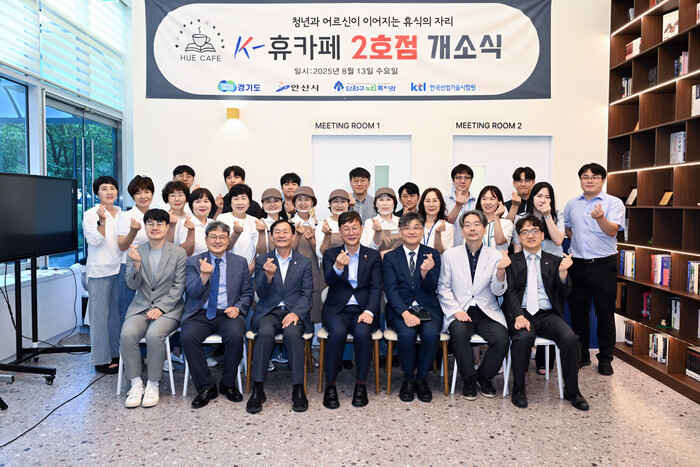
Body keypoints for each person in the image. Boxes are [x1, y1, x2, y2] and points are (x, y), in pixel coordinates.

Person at [503, 216, 589, 410]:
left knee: (571, 339)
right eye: (525, 232)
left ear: (542, 235)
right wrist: (518, 315)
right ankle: (519, 389)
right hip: (521, 313)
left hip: (547, 314)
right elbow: (509, 293)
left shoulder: (556, 261)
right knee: (523, 338)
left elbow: (565, 293)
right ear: (519, 237)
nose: (530, 235)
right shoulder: (511, 261)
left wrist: (563, 274)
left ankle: (573, 391)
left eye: (535, 231)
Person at [437, 210, 510, 400]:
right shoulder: (450, 255)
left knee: (502, 339)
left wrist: (501, 272)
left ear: (484, 229)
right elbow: (443, 287)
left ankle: (484, 377)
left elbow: (498, 291)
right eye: (467, 225)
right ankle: (469, 379)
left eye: (477, 224)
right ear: (462, 230)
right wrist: (455, 311)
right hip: (460, 309)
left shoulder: (495, 255)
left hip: (486, 311)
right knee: (459, 333)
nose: (472, 228)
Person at [181, 221, 253, 408]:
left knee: (235, 336)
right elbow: (193, 293)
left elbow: (247, 293)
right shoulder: (193, 262)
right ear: (206, 240)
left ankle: (228, 384)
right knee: (188, 337)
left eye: (222, 237)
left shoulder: (240, 262)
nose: (218, 241)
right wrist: (204, 276)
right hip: (200, 312)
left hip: (228, 313)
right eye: (213, 237)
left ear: (228, 240)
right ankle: (206, 387)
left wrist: (238, 308)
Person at [120, 209, 187, 408]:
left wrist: (161, 308)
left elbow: (179, 286)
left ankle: (153, 384)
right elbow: (131, 285)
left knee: (154, 335)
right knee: (127, 335)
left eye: (159, 224)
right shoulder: (135, 251)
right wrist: (137, 265)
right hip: (141, 306)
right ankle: (136, 384)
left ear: (167, 227)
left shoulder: (178, 253)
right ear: (145, 226)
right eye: (150, 223)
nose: (155, 227)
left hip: (169, 308)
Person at [564, 163, 625, 376]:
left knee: (604, 313)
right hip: (577, 265)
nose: (589, 180)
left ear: (603, 180)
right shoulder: (572, 204)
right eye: (585, 177)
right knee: (578, 314)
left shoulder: (613, 203)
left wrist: (600, 218)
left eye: (594, 177)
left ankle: (606, 358)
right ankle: (582, 355)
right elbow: (568, 229)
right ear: (580, 180)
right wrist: (579, 243)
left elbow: (612, 231)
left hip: (603, 265)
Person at [247, 220, 313, 413]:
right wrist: (267, 276)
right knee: (265, 333)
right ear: (271, 236)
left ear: (293, 236)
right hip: (269, 311)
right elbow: (260, 293)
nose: (281, 235)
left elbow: (307, 294)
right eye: (277, 232)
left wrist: (295, 313)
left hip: (293, 312)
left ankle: (298, 389)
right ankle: (258, 389)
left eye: (286, 232)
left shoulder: (304, 262)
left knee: (292, 334)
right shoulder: (263, 260)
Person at [321, 211, 382, 409]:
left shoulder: (372, 256)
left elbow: (376, 288)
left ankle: (361, 385)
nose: (351, 232)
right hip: (337, 310)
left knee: (363, 333)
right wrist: (338, 266)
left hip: (363, 310)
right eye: (346, 229)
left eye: (354, 228)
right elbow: (329, 280)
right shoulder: (331, 254)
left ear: (362, 229)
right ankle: (330, 385)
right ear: (340, 232)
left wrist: (370, 312)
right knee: (337, 333)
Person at [383, 213, 442, 402]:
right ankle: (408, 379)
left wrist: (425, 272)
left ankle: (422, 379)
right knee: (407, 334)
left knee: (431, 334)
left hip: (428, 308)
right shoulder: (391, 257)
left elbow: (432, 288)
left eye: (416, 227)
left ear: (422, 231)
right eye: (407, 228)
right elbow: (391, 290)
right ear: (400, 231)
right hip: (400, 309)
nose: (411, 232)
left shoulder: (432, 254)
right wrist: (405, 313)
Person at [512, 181, 566, 374]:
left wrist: (547, 216)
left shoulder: (557, 215)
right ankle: (524, 359)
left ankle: (544, 362)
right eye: (539, 196)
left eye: (547, 196)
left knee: (550, 312)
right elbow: (517, 248)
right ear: (532, 197)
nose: (543, 200)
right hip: (527, 266)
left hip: (553, 271)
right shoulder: (521, 217)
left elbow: (558, 240)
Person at [83, 175, 122, 374]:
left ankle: (114, 354)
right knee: (99, 318)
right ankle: (100, 360)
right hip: (99, 271)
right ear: (97, 193)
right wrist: (102, 221)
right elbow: (95, 241)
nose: (109, 192)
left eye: (112, 188)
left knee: (115, 316)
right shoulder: (90, 214)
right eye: (104, 188)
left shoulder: (122, 213)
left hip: (119, 269)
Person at [117, 176, 154, 332]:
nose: (143, 196)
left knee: (151, 312)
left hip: (153, 268)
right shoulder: (127, 216)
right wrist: (133, 231)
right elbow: (122, 246)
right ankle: (129, 346)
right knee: (128, 311)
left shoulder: (156, 215)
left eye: (147, 191)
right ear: (132, 196)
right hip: (130, 267)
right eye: (138, 193)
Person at [290, 186, 323, 324]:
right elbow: (286, 251)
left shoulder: (319, 225)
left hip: (315, 272)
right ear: (294, 203)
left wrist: (312, 241)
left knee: (314, 313)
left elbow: (321, 252)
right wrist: (298, 235)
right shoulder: (288, 225)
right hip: (293, 274)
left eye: (307, 199)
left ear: (313, 202)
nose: (303, 203)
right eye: (299, 199)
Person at [218, 184, 259, 275]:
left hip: (250, 272)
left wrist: (252, 266)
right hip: (227, 272)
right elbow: (222, 247)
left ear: (249, 202)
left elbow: (259, 249)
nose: (240, 202)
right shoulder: (222, 219)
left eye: (243, 198)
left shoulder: (255, 221)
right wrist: (236, 233)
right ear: (230, 202)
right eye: (236, 198)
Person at [361, 187, 401, 258]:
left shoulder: (401, 221)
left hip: (399, 261)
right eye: (381, 200)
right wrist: (377, 232)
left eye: (388, 199)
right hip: (377, 262)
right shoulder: (370, 222)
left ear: (394, 203)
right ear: (376, 204)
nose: (385, 203)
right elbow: (368, 249)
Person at [445, 164, 477, 246]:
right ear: (453, 180)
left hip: (473, 248)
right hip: (450, 248)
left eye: (466, 178)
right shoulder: (444, 201)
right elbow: (445, 225)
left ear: (471, 180)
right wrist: (458, 206)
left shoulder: (478, 202)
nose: (462, 181)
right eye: (458, 177)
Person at [475, 185, 513, 251]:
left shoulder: (506, 223)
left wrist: (496, 216)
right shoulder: (473, 222)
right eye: (484, 199)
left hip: (499, 257)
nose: (487, 203)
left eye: (492, 199)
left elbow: (499, 241)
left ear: (499, 202)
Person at [417, 187, 454, 254]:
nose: (431, 205)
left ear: (440, 203)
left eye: (435, 201)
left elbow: (441, 252)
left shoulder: (448, 227)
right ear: (423, 203)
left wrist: (438, 233)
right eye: (428, 201)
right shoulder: (416, 225)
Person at [162, 181, 194, 255]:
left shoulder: (191, 218)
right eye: (172, 195)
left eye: (180, 195)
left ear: (186, 197)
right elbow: (163, 246)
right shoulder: (161, 218)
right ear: (167, 198)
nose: (177, 199)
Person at [315, 189, 350, 258]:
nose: (339, 205)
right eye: (335, 201)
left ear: (348, 204)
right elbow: (320, 253)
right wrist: (327, 236)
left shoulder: (354, 223)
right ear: (329, 204)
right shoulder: (323, 224)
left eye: (343, 201)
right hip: (330, 263)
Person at [183, 188, 216, 257]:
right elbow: (186, 252)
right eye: (197, 202)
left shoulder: (212, 223)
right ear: (191, 205)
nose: (202, 205)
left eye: (206, 201)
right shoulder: (185, 223)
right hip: (193, 263)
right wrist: (191, 230)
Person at [255, 188, 288, 254]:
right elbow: (260, 251)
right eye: (268, 201)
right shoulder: (257, 224)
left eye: (276, 201)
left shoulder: (288, 224)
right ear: (262, 204)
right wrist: (261, 233)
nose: (272, 204)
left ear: (281, 202)